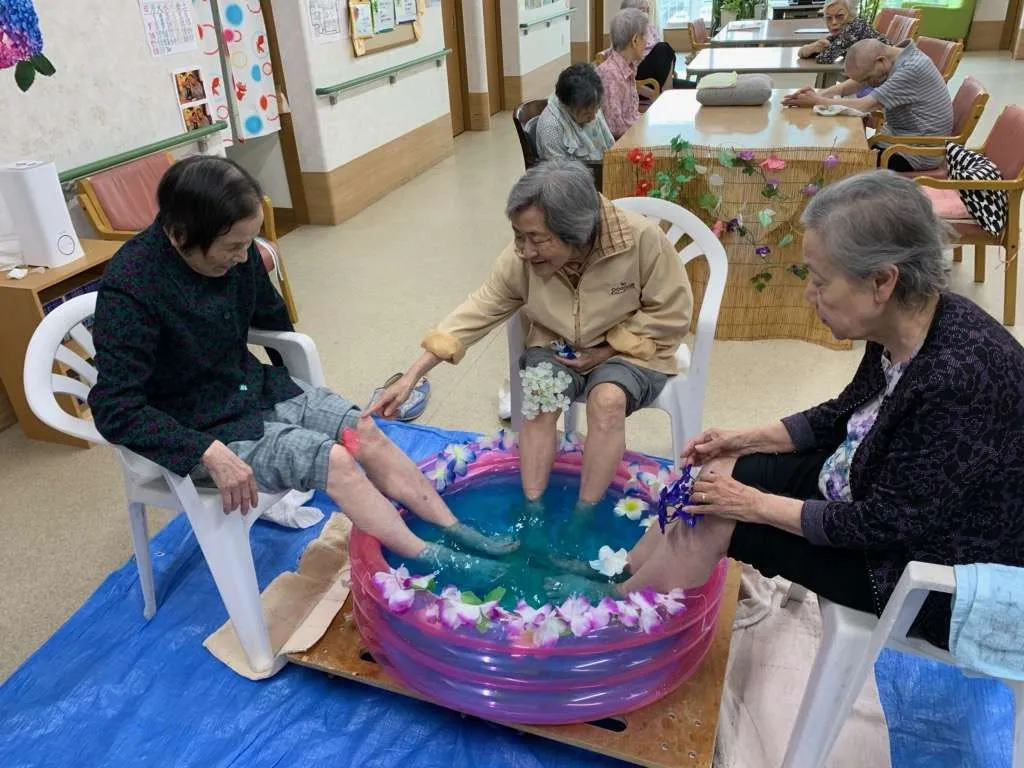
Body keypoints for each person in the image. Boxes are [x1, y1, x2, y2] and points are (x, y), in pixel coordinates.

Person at [555, 171, 1024, 648]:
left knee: (720, 512)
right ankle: (622, 575)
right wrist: (741, 440)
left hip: (918, 566)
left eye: (821, 282)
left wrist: (753, 505)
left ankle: (606, 628)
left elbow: (884, 524)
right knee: (716, 473)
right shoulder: (906, 322)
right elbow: (845, 414)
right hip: (868, 484)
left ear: (882, 281)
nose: (810, 295)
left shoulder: (957, 377)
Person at [88, 156, 514, 587]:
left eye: (248, 243)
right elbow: (115, 408)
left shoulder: (236, 252)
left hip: (253, 390)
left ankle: (457, 530)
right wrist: (206, 451)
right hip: (201, 427)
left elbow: (273, 321)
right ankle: (434, 558)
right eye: (233, 248)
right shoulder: (132, 287)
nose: (243, 258)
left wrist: (300, 397)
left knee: (361, 430)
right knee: (334, 460)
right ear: (181, 236)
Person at [369, 159, 692, 547]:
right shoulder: (521, 255)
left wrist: (605, 350)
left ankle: (583, 516)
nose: (524, 250)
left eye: (537, 239)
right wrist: (412, 376)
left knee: (607, 400)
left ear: (578, 232)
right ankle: (533, 508)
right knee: (539, 391)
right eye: (518, 236)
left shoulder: (643, 241)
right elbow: (481, 306)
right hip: (556, 344)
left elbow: (672, 312)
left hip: (631, 349)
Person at [783, 38, 953, 171]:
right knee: (837, 153)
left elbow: (865, 105)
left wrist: (817, 101)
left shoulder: (911, 70)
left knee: (838, 165)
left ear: (881, 61)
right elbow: (859, 82)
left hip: (916, 152)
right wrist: (822, 93)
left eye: (867, 78)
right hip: (897, 138)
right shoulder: (898, 55)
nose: (866, 82)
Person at [532, 63, 614, 163]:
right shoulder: (551, 127)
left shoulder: (590, 102)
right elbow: (560, 173)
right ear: (568, 107)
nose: (593, 118)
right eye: (587, 114)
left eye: (596, 110)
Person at [597, 8, 650, 139]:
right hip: (622, 147)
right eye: (646, 37)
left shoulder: (628, 67)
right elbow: (614, 130)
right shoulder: (610, 74)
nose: (648, 42)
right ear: (635, 40)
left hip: (633, 136)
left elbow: (631, 116)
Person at [619, 0, 693, 90]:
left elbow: (665, 58)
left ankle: (667, 90)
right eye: (642, 10)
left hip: (657, 77)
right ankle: (667, 93)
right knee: (662, 48)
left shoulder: (650, 28)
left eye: (648, 10)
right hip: (639, 78)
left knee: (695, 87)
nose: (646, 14)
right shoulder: (624, 31)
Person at [797, 0, 887, 64]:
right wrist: (813, 47)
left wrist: (814, 48)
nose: (834, 22)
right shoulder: (840, 33)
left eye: (840, 16)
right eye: (829, 18)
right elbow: (802, 53)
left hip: (890, 72)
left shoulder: (855, 27)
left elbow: (825, 58)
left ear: (851, 16)